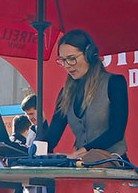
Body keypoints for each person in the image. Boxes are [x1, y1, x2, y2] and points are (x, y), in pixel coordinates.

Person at [40, 29, 128, 160]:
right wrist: (35, 148)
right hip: (83, 165)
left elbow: (116, 132)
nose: (67, 65)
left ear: (89, 55)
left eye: (72, 59)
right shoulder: (65, 94)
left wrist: (81, 152)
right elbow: (52, 136)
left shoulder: (114, 83)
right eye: (63, 60)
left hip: (114, 162)